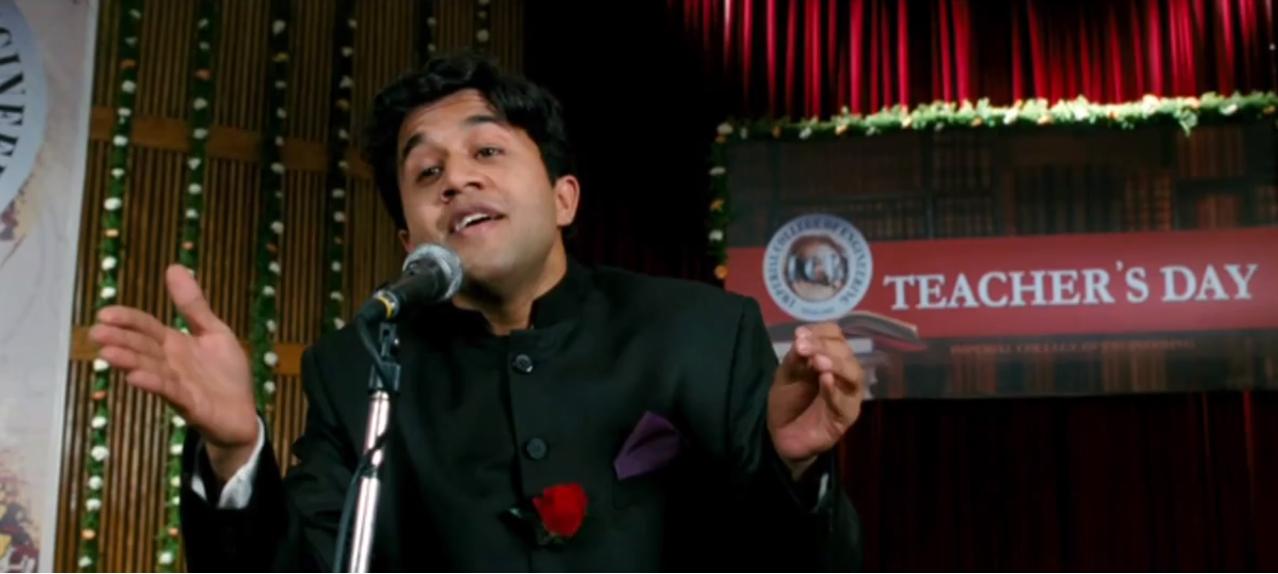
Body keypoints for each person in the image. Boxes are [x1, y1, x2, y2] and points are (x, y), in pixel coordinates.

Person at [89, 53, 866, 571]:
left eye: (487, 152)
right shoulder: (357, 368)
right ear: (409, 241)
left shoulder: (703, 333)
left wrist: (795, 471)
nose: (456, 179)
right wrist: (235, 453)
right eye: (426, 172)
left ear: (564, 198)